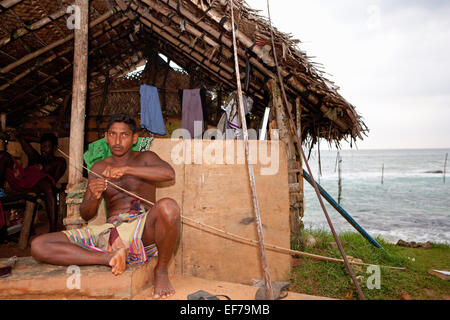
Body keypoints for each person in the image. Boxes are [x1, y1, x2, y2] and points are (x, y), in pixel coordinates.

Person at [30, 114, 181, 299]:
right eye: (113, 134)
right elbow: (86, 214)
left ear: (134, 138)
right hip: (110, 232)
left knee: (169, 207)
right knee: (39, 245)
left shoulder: (146, 158)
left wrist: (127, 169)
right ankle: (110, 258)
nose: (118, 141)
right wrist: (94, 196)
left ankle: (161, 271)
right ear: (106, 136)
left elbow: (168, 173)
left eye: (124, 135)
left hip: (141, 231)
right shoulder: (98, 168)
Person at [0, 132, 67, 232]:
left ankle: (53, 230)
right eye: (42, 146)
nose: (44, 149)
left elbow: (53, 180)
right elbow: (21, 137)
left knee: (47, 183)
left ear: (54, 147)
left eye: (47, 146)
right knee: (3, 155)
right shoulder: (34, 156)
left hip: (40, 185)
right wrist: (40, 139)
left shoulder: (59, 161)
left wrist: (43, 169)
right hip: (21, 179)